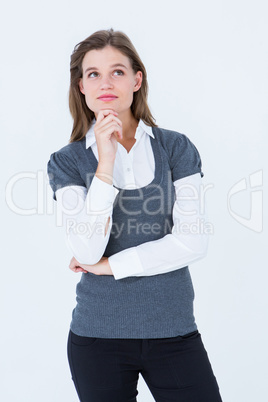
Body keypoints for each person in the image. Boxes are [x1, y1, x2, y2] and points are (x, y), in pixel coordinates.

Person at [47, 28, 222, 402]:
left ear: (137, 79)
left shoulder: (175, 148)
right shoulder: (67, 161)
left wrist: (111, 266)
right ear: (81, 86)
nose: (105, 82)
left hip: (174, 332)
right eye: (93, 73)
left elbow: (193, 241)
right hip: (97, 338)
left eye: (118, 71)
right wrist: (106, 161)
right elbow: (87, 249)